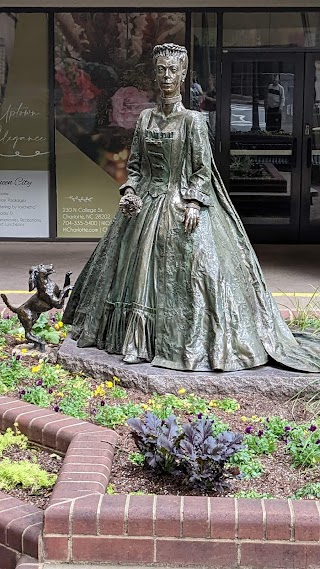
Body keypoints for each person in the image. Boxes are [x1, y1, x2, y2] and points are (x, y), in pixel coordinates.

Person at [63, 43, 320, 373]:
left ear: (183, 76)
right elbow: (137, 166)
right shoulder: (145, 119)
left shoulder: (194, 121)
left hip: (181, 204)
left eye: (173, 70)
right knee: (137, 273)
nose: (167, 76)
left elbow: (202, 169)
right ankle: (136, 343)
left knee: (197, 275)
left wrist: (195, 202)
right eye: (161, 70)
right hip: (146, 209)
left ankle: (186, 343)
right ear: (154, 75)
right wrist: (129, 191)